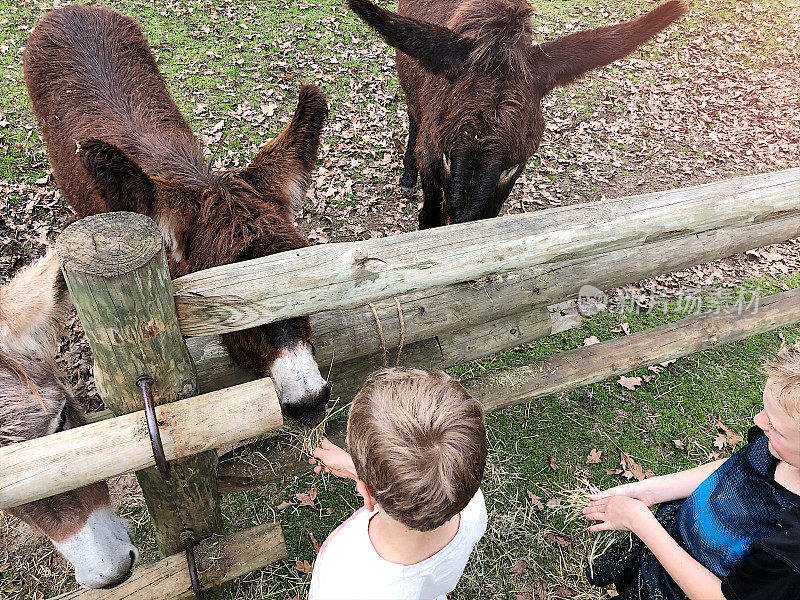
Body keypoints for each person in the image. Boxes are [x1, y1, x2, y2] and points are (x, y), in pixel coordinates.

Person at [583, 344, 800, 600]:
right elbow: (737, 468)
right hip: (672, 547)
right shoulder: (779, 445)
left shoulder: (791, 551)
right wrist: (651, 490)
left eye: (774, 426)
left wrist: (640, 523)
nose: (758, 421)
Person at [307, 368, 488, 600]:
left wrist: (366, 474)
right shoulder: (471, 506)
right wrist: (357, 470)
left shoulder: (345, 576)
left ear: (366, 494)